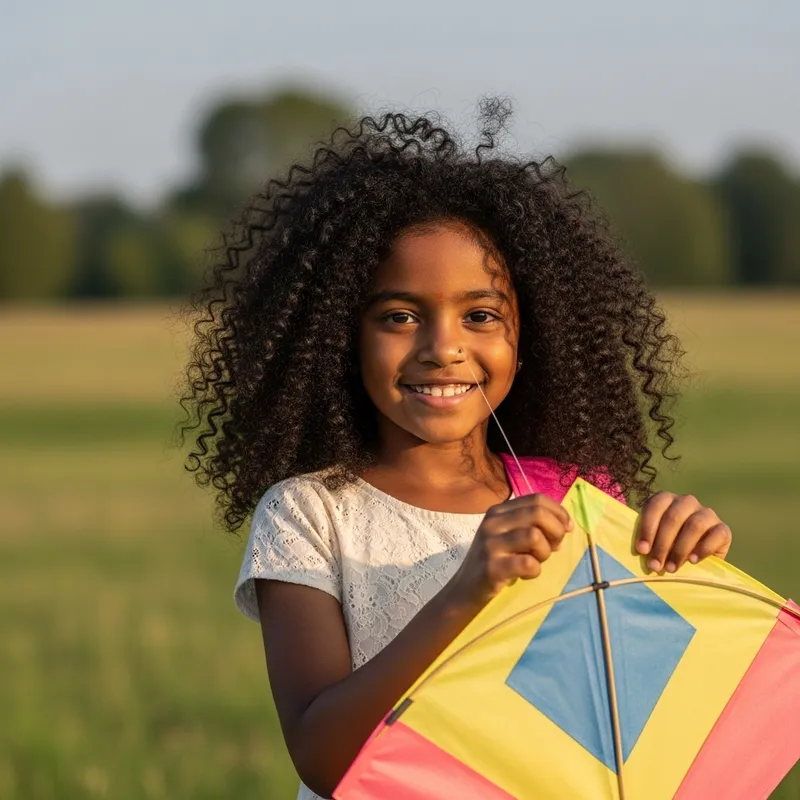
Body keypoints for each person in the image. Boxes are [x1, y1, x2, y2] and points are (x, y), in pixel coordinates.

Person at [180, 104, 733, 800]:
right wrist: (469, 590)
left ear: (530, 337)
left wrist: (684, 575)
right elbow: (321, 757)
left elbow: (624, 729)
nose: (444, 347)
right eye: (400, 316)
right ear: (337, 338)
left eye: (480, 315)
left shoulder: (578, 507)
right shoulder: (308, 514)